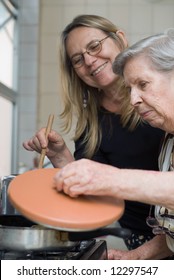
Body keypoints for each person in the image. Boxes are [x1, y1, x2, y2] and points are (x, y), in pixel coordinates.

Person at [23, 15, 164, 251]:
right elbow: (93, 202)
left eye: (94, 46)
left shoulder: (165, 94)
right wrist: (60, 156)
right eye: (78, 59)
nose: (89, 60)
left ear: (119, 38)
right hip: (143, 246)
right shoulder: (91, 129)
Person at [53, 28, 174, 259]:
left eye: (143, 84)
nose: (134, 100)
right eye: (130, 88)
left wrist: (109, 178)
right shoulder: (169, 137)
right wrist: (137, 256)